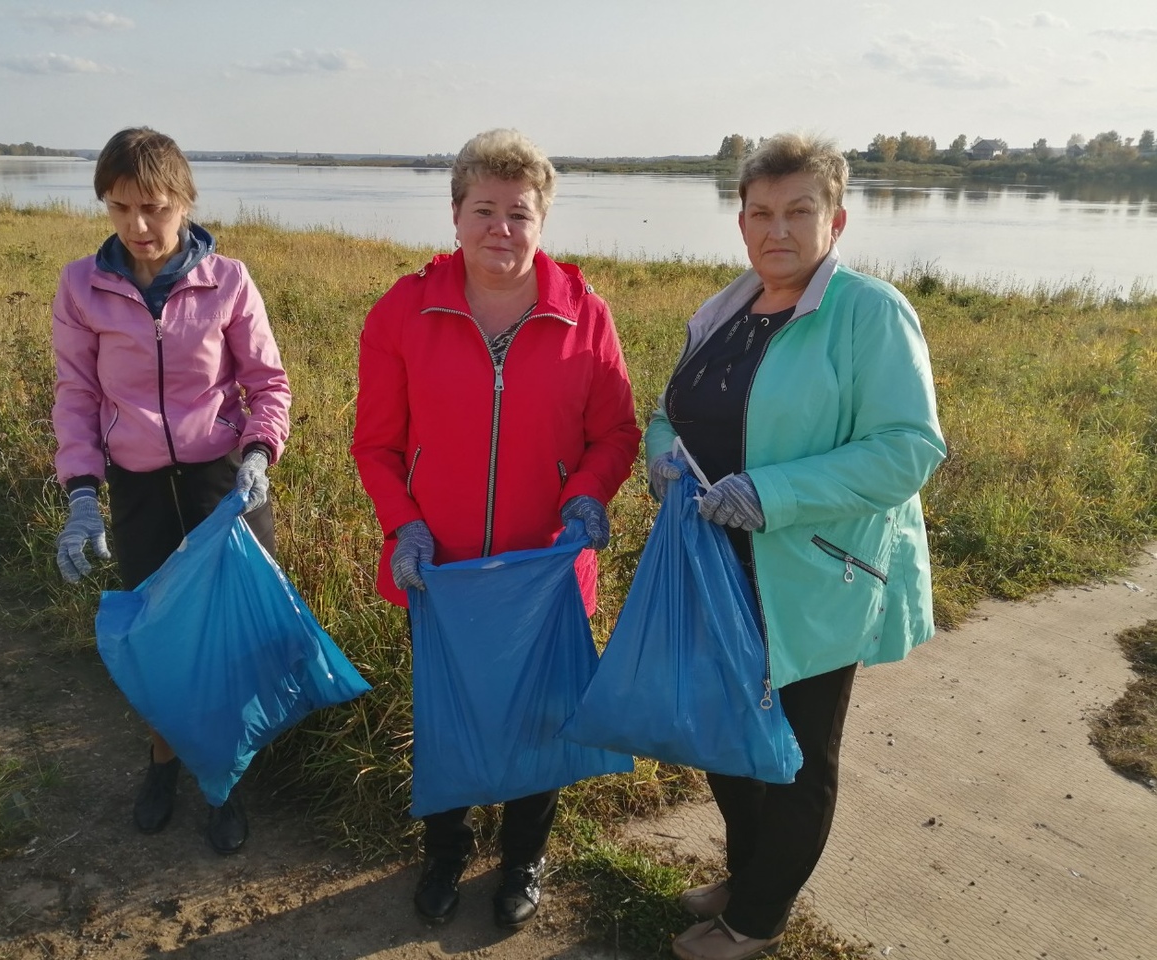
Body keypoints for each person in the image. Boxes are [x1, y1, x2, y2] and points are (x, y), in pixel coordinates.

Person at [646, 134, 946, 960]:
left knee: (796, 756)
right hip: (717, 565)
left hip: (812, 573)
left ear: (836, 219)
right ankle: (750, 871)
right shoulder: (725, 309)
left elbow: (906, 448)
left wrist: (769, 493)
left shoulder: (870, 313)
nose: (778, 230)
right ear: (741, 221)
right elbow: (673, 406)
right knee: (728, 736)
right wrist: (662, 455)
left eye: (799, 212)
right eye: (762, 213)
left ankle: (757, 919)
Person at [351, 128, 640, 929]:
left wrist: (586, 495)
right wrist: (403, 527)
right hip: (437, 574)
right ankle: (446, 849)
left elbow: (616, 433)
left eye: (520, 212)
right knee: (448, 715)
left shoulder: (585, 316)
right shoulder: (403, 310)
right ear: (454, 215)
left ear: (542, 220)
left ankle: (523, 858)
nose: (500, 229)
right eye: (484, 209)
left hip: (544, 573)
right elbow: (374, 444)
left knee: (540, 721)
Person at [51, 127, 291, 856]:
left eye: (154, 207)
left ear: (185, 203)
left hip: (226, 486)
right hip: (141, 489)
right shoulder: (81, 285)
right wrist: (83, 494)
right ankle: (161, 763)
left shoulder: (228, 280)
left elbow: (267, 384)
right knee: (158, 641)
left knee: (230, 644)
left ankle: (227, 780)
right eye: (120, 208)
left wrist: (258, 453)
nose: (138, 226)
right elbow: (76, 396)